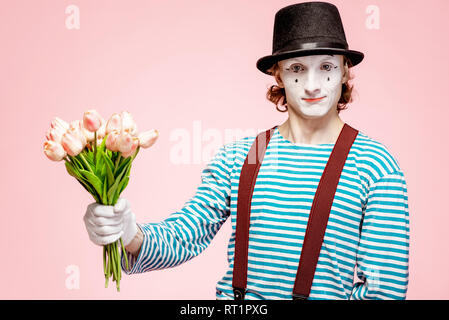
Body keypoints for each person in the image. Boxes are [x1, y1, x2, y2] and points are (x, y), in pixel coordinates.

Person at [83, 2, 409, 300]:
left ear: (344, 70)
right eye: (297, 68)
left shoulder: (375, 166)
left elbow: (384, 290)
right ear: (277, 73)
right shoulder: (239, 157)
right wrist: (128, 234)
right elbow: (184, 236)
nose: (312, 84)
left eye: (326, 66)